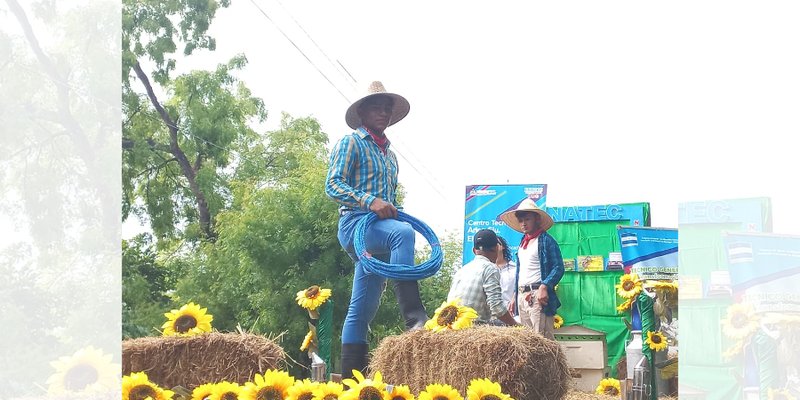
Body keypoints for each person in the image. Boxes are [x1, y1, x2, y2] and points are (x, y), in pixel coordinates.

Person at [324, 81, 428, 379]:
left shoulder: (391, 156)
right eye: (376, 107)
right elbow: (332, 185)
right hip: (355, 224)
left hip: (379, 233)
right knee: (403, 233)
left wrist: (389, 207)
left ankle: (350, 381)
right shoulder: (351, 142)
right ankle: (413, 318)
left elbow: (389, 202)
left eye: (387, 108)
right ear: (362, 112)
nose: (383, 112)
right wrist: (370, 201)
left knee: (362, 307)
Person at [499, 198, 565, 339]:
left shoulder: (546, 241)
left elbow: (558, 267)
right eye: (521, 220)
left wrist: (544, 286)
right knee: (527, 341)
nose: (523, 223)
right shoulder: (523, 242)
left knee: (541, 341)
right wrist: (514, 296)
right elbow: (521, 272)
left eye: (527, 219)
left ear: (536, 219)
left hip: (537, 295)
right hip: (522, 296)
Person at [447, 229, 520, 327]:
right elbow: (496, 307)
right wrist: (516, 325)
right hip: (474, 327)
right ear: (496, 249)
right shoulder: (490, 268)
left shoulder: (462, 270)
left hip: (451, 325)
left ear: (474, 250)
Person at [495, 235, 518, 310]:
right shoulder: (485, 269)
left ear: (503, 247)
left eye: (496, 243)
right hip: (490, 315)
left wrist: (515, 297)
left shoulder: (515, 268)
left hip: (512, 313)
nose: (493, 246)